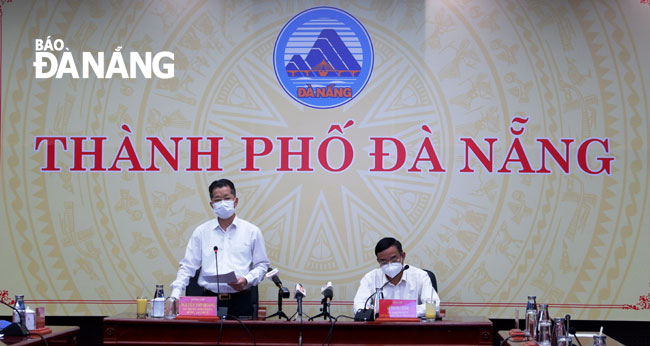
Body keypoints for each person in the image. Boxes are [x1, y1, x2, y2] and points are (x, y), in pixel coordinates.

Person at [170, 179, 270, 318]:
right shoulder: (202, 231)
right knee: (205, 339)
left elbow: (262, 265)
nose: (222, 203)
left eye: (226, 198)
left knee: (239, 340)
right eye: (218, 199)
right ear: (212, 205)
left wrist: (247, 279)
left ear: (235, 201)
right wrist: (175, 294)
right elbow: (188, 266)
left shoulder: (252, 231)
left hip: (241, 301)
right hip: (208, 301)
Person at [353, 237, 439, 317]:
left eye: (393, 259)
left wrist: (392, 310)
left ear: (403, 256)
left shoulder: (420, 276)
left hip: (413, 330)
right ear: (378, 261)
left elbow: (434, 307)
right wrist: (369, 311)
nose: (389, 264)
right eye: (384, 261)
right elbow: (359, 307)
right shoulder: (371, 278)